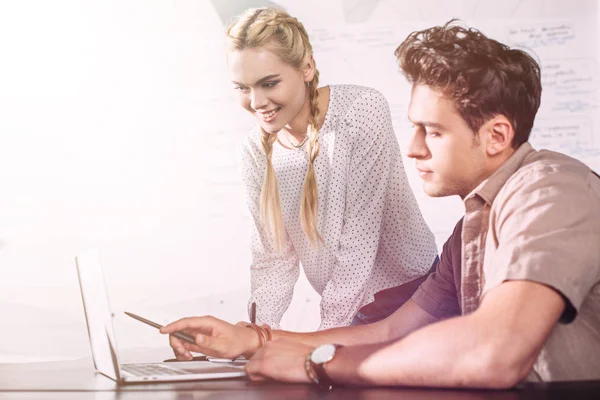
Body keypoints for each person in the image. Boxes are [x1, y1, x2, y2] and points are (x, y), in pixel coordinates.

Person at [161, 21, 600, 388]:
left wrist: (316, 364)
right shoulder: (471, 229)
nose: (412, 149)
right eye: (414, 127)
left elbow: (494, 354)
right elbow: (388, 331)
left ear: (497, 136)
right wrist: (253, 338)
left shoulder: (549, 194)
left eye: (433, 131)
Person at [224, 7, 438, 329]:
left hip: (415, 295)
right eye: (242, 87)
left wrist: (322, 342)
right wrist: (258, 336)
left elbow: (359, 245)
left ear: (307, 67)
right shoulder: (254, 152)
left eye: (269, 83)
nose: (256, 102)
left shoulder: (360, 112)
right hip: (351, 306)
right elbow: (273, 258)